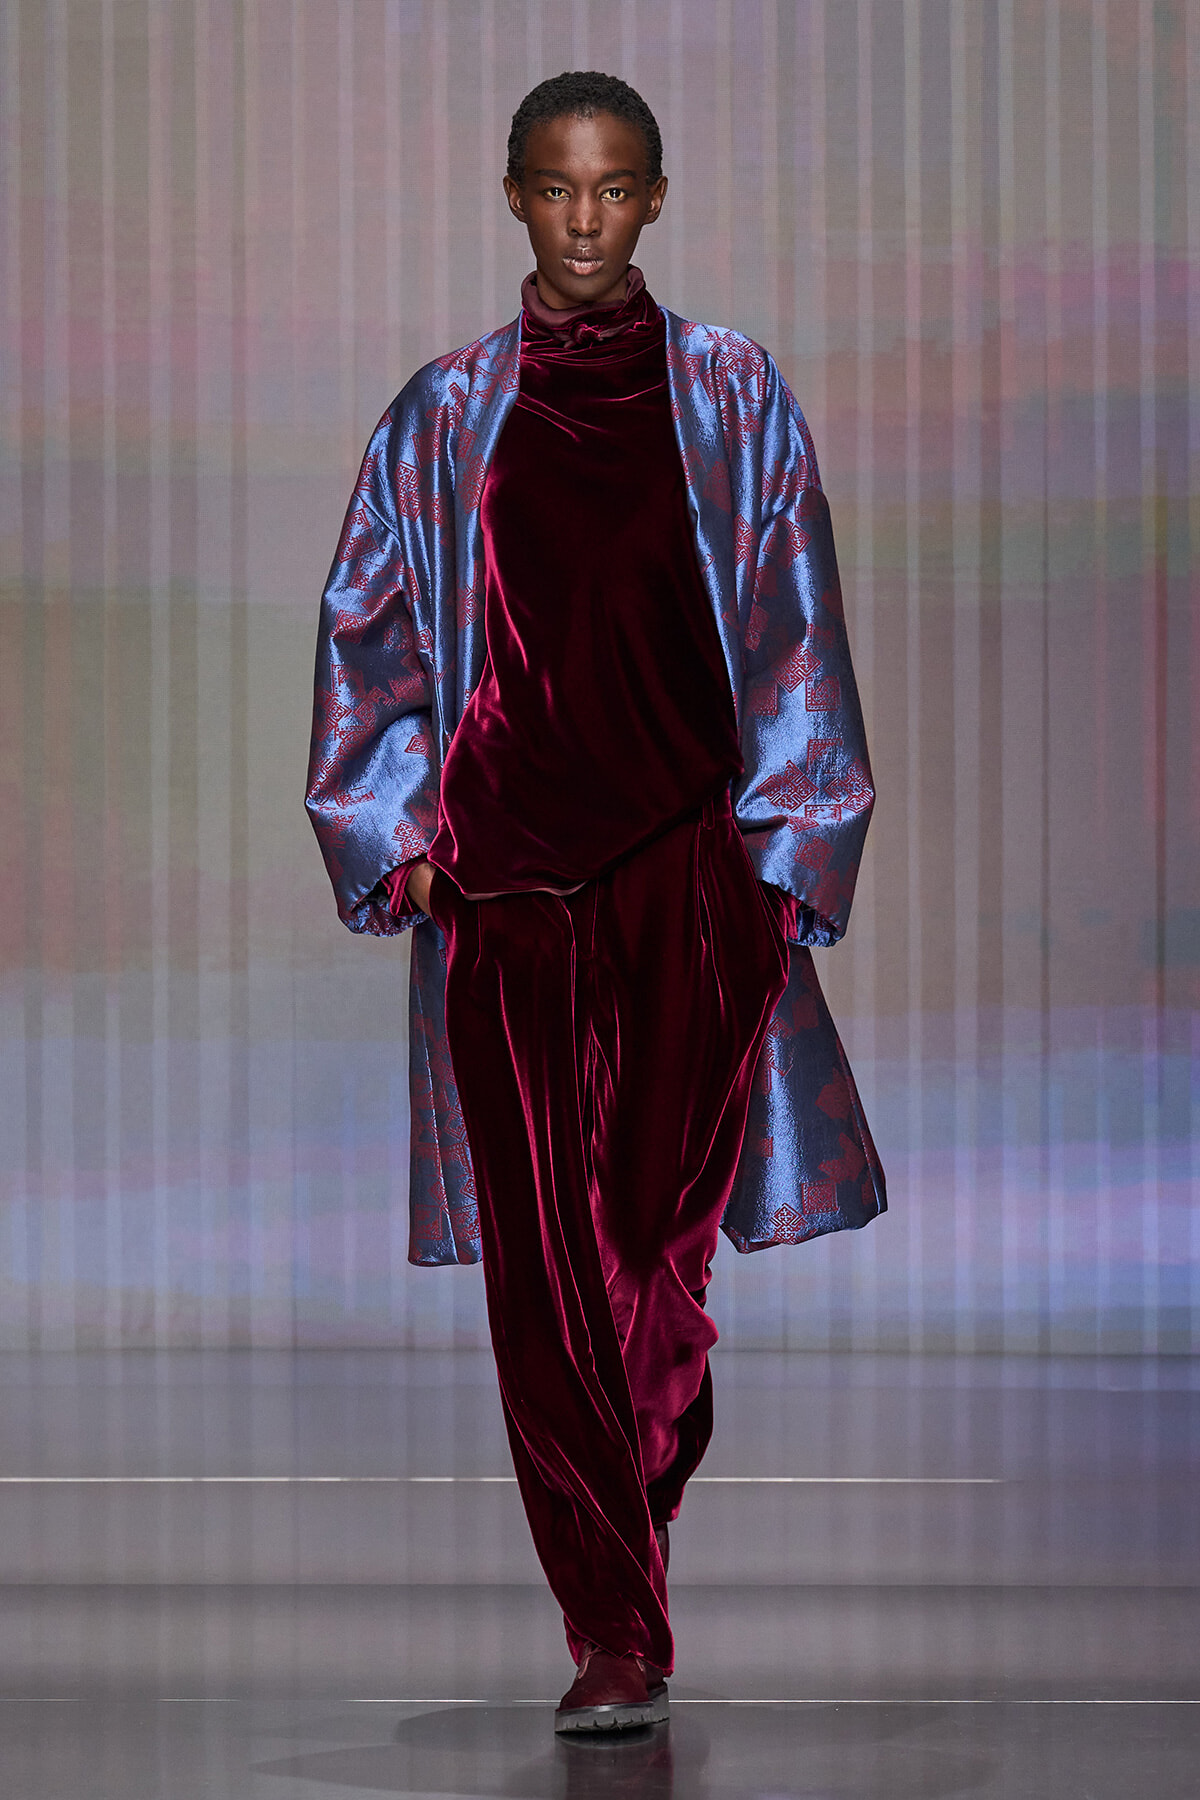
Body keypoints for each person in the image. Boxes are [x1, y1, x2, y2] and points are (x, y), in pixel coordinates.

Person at [306, 70, 885, 1735]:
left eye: (614, 186)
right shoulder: (441, 417)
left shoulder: (732, 396)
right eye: (556, 186)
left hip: (690, 876)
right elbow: (369, 631)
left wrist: (788, 857)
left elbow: (792, 619)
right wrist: (400, 836)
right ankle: (613, 1628)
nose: (584, 217)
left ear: (654, 198)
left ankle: (626, 1527)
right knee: (545, 1274)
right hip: (506, 897)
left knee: (650, 1257)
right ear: (512, 194)